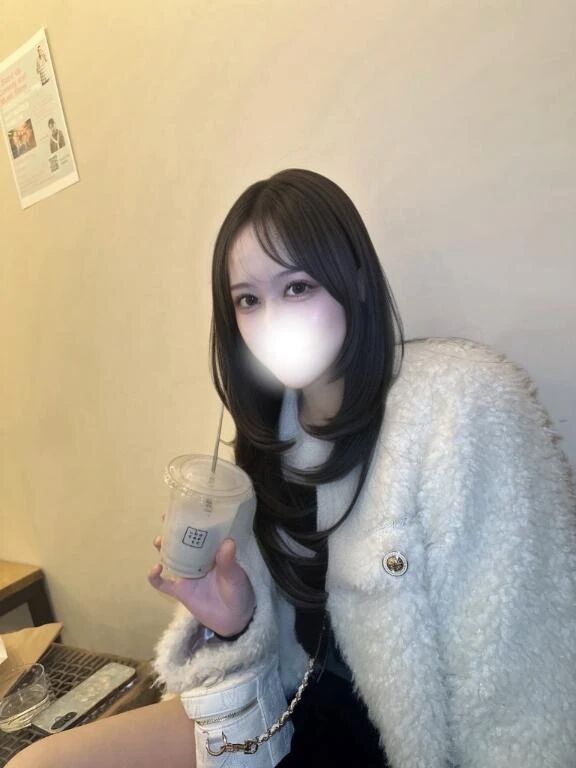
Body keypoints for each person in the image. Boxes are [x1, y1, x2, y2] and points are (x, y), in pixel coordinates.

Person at [8, 169, 576, 768]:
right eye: (248, 300)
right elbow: (269, 661)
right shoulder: (267, 438)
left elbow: (520, 692)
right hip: (288, 712)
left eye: (298, 287)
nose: (273, 319)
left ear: (355, 280)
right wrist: (234, 623)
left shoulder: (461, 409)